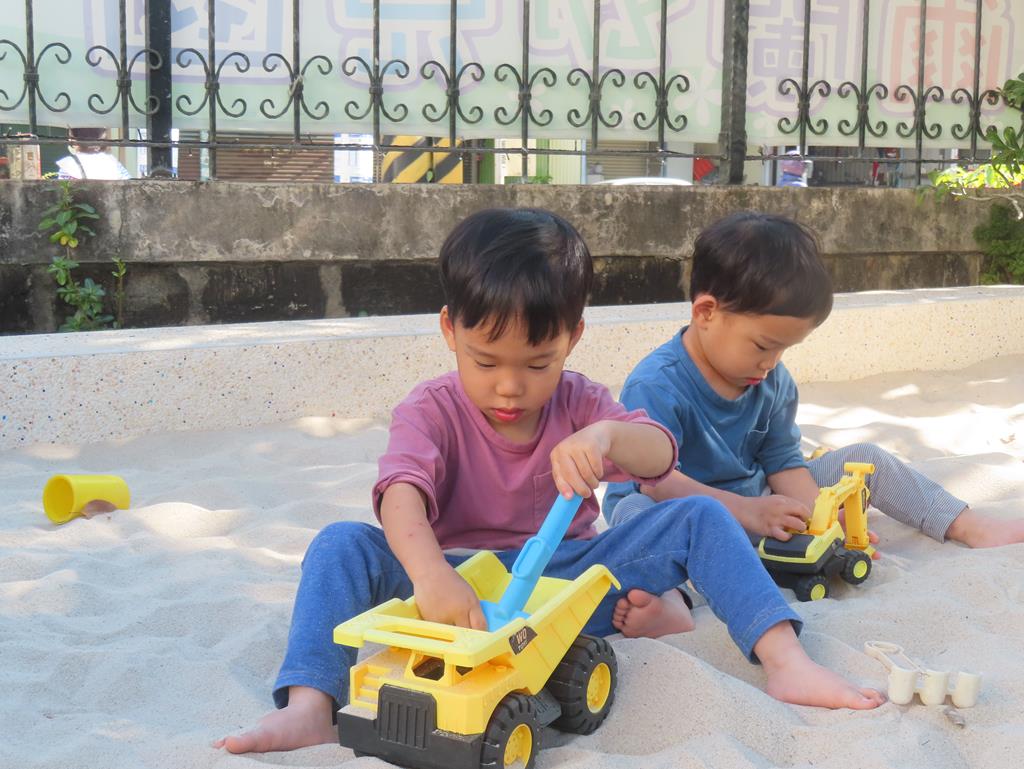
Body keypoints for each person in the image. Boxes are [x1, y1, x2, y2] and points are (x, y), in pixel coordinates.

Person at [215, 208, 883, 755]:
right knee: (340, 543)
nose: (510, 386)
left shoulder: (581, 402)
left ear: (572, 337)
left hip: (563, 588)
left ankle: (786, 661)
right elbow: (400, 494)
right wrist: (431, 574)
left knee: (703, 518)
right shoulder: (431, 410)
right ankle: (311, 705)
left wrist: (607, 436)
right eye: (486, 361)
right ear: (449, 330)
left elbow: (658, 457)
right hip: (455, 590)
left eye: (538, 363)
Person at [604, 211, 1024, 564]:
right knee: (634, 513)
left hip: (760, 499)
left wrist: (820, 518)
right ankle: (665, 599)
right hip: (679, 505)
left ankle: (965, 524)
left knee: (866, 460)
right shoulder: (657, 385)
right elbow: (658, 483)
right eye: (763, 345)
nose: (771, 363)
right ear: (706, 313)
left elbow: (783, 463)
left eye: (785, 349)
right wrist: (746, 511)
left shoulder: (770, 379)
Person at [56, 127, 131, 180]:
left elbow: (64, 192)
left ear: (72, 139)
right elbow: (127, 181)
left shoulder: (68, 163)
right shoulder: (111, 160)